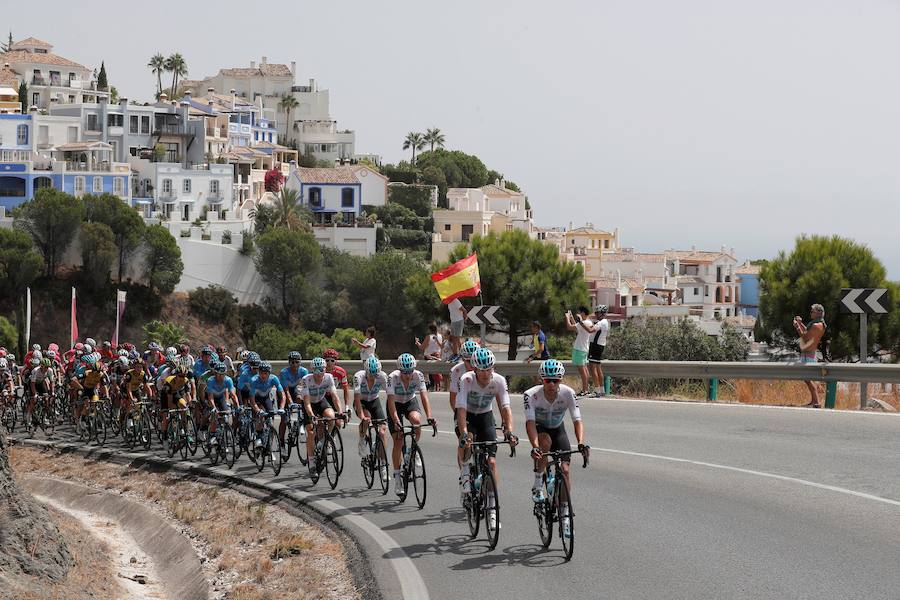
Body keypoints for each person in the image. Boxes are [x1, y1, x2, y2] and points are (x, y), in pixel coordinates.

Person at [524, 359, 588, 539]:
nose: (551, 384)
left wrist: (581, 443)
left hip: (559, 429)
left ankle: (565, 512)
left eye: (556, 380)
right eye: (547, 380)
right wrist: (535, 447)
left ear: (561, 380)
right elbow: (529, 423)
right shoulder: (531, 395)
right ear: (541, 380)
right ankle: (538, 483)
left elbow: (577, 419)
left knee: (565, 469)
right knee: (544, 442)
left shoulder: (568, 393)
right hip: (540, 428)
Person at [457, 347, 516, 525]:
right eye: (482, 370)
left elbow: (505, 407)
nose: (486, 373)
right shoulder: (466, 380)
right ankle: (466, 472)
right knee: (468, 442)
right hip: (467, 416)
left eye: (489, 368)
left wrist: (509, 430)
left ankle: (491, 505)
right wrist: (464, 433)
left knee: (491, 461)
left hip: (485, 416)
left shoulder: (498, 381)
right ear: (474, 369)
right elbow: (460, 408)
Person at [386, 353, 436, 496]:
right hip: (395, 404)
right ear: (400, 370)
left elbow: (424, 396)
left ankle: (412, 452)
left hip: (409, 401)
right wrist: (395, 420)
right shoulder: (392, 378)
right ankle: (397, 479)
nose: (408, 375)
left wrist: (430, 416)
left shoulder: (418, 375)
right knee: (399, 440)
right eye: (405, 372)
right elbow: (390, 401)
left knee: (417, 421)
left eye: (410, 371)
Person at [301, 357, 345, 466]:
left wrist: (340, 412)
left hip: (321, 400)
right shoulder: (306, 379)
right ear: (312, 370)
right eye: (316, 370)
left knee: (331, 417)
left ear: (325, 369)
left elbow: (335, 397)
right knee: (311, 432)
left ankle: (324, 441)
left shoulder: (329, 377)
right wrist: (311, 415)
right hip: (309, 404)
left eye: (321, 370)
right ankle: (311, 461)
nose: (318, 373)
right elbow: (306, 402)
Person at [353, 355, 389, 466]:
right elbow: (357, 399)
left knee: (382, 431)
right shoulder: (358, 377)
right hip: (362, 402)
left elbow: (391, 395)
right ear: (366, 371)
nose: (373, 376)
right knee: (367, 419)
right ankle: (362, 438)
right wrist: (362, 416)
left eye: (375, 374)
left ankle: (383, 463)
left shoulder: (382, 376)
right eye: (370, 374)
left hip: (374, 401)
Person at [449, 339, 479, 469]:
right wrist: (460, 416)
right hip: (462, 408)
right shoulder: (456, 371)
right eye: (468, 361)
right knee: (466, 438)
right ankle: (464, 472)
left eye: (473, 360)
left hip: (479, 408)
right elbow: (453, 398)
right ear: (462, 359)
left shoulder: (483, 367)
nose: (471, 364)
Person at [794, 303, 827, 408]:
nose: (810, 313)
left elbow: (805, 336)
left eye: (812, 311)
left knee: (808, 379)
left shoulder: (817, 325)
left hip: (809, 354)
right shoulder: (816, 324)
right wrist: (801, 323)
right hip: (808, 353)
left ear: (818, 312)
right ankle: (814, 401)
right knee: (808, 379)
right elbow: (808, 332)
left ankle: (816, 402)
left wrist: (797, 327)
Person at [248, 361, 286, 446]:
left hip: (266, 398)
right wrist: (258, 410)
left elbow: (282, 395)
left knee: (270, 417)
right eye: (261, 373)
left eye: (265, 373)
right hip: (256, 400)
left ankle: (269, 443)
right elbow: (252, 400)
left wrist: (282, 407)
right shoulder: (254, 380)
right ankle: (258, 436)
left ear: (269, 373)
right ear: (259, 372)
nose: (263, 375)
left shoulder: (274, 379)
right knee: (261, 416)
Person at [565, 306, 596, 396]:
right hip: (584, 348)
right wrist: (572, 319)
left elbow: (569, 327)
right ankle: (586, 389)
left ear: (583, 313)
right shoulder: (588, 322)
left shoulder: (584, 322)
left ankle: (585, 390)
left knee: (582, 371)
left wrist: (567, 318)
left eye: (580, 312)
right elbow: (578, 329)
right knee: (585, 370)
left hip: (579, 349)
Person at [587, 305, 610, 397]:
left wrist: (581, 322)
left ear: (602, 313)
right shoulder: (604, 322)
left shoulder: (601, 323)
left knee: (593, 369)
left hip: (595, 346)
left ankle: (597, 390)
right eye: (595, 313)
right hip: (600, 345)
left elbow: (590, 330)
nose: (596, 314)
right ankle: (602, 389)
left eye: (597, 313)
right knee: (598, 368)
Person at [416, 323, 444, 390]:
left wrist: (417, 343)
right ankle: (437, 386)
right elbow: (441, 346)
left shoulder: (429, 337)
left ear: (430, 330)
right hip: (437, 356)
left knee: (431, 373)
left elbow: (422, 347)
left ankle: (431, 386)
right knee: (436, 372)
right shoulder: (440, 336)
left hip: (429, 356)